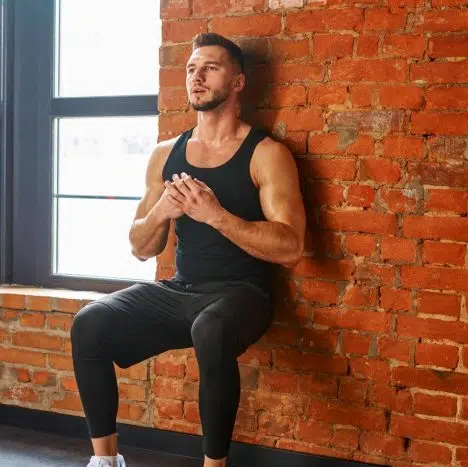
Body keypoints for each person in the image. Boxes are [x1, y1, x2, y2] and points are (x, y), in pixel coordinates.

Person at [70, 32, 306, 467]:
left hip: (243, 294)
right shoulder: (166, 155)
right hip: (182, 290)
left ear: (237, 82)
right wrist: (161, 211)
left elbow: (291, 246)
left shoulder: (265, 154)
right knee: (90, 322)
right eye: (191, 69)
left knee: (211, 330)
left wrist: (216, 215)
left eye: (210, 68)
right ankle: (105, 461)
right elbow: (141, 248)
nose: (197, 77)